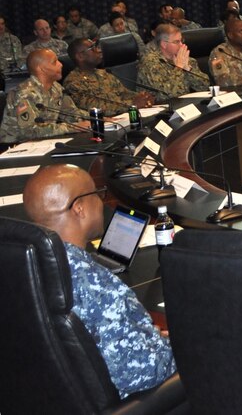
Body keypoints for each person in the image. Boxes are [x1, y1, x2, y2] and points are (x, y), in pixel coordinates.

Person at [23, 164, 176, 399]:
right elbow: (143, 373)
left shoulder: (27, 267)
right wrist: (179, 346)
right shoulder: (96, 285)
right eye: (96, 193)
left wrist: (142, 336)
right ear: (79, 208)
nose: (101, 202)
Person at [1, 49, 89, 143]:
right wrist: (73, 127)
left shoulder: (56, 87)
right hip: (14, 146)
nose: (61, 64)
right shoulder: (25, 93)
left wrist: (97, 118)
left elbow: (71, 113)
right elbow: (30, 131)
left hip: (42, 142)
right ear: (41, 68)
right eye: (55, 62)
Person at [63, 39, 156, 115]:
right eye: (92, 48)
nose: (99, 50)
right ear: (80, 56)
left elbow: (124, 93)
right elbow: (94, 108)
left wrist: (144, 98)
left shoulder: (104, 73)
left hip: (125, 117)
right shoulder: (73, 83)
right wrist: (132, 104)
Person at [137, 24, 210, 102]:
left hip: (185, 105)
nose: (181, 45)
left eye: (181, 40)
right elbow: (167, 95)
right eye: (176, 42)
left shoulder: (185, 59)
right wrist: (179, 68)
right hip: (161, 108)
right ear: (164, 44)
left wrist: (188, 69)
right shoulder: (150, 62)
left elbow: (205, 86)